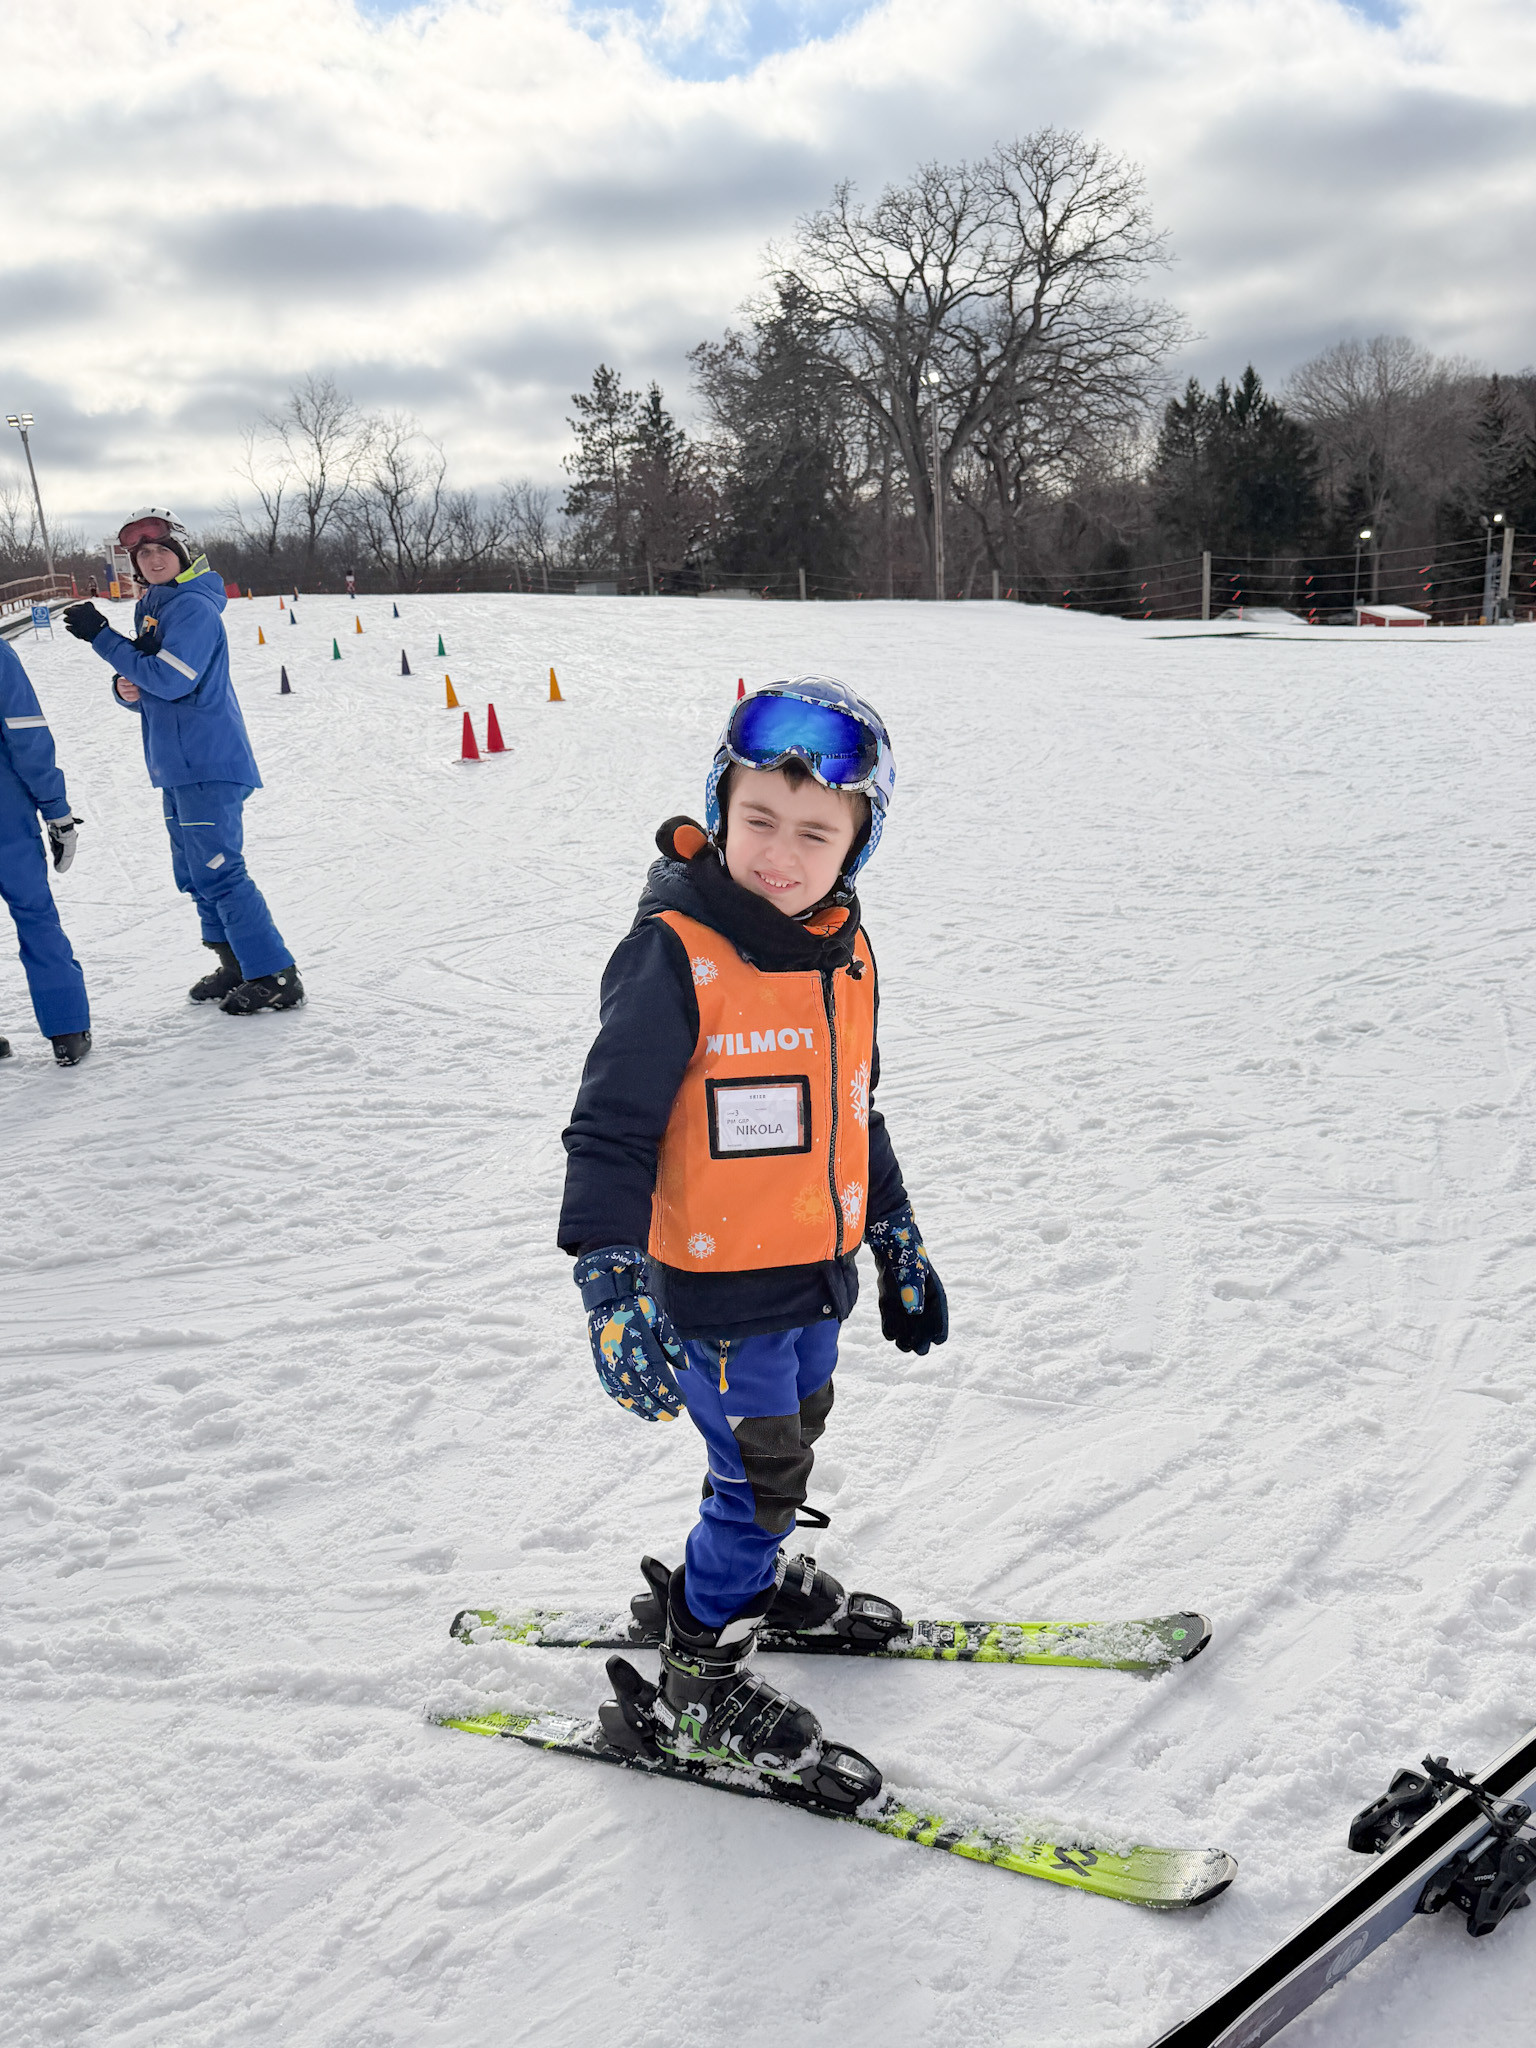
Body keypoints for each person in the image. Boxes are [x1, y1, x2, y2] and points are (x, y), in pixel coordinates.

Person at [559, 677, 947, 1806]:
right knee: (759, 1477)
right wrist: (610, 1273)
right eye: (757, 820)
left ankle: (754, 1576)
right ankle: (698, 1673)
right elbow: (611, 1127)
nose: (780, 853)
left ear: (858, 845)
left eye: (815, 831)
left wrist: (897, 1234)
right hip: (716, 1291)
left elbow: (852, 1109)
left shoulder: (845, 952)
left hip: (811, 1276)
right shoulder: (676, 953)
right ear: (719, 809)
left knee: (793, 1436)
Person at [63, 510, 303, 1015]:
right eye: (141, 555)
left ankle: (275, 975)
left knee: (219, 869)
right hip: (177, 764)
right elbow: (152, 684)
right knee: (195, 872)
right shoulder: (155, 606)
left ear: (183, 556)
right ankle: (236, 963)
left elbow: (173, 680)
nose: (151, 560)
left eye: (161, 551)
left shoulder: (192, 606)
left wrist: (104, 640)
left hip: (207, 761)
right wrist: (124, 687)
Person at [0, 638, 90, 1066]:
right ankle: (67, 1030)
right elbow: (27, 735)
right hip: (6, 821)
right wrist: (56, 810)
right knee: (35, 915)